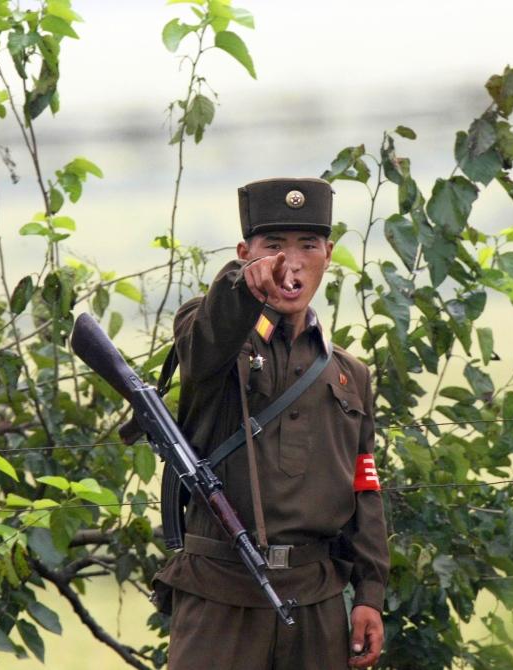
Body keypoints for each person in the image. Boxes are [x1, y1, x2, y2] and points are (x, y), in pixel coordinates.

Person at [152, 177, 389, 670]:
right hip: (220, 596)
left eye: (307, 246)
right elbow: (203, 348)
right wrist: (241, 283)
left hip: (315, 603)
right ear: (245, 252)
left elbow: (365, 485)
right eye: (273, 247)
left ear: (328, 253)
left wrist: (369, 592)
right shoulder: (211, 328)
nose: (291, 262)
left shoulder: (350, 374)